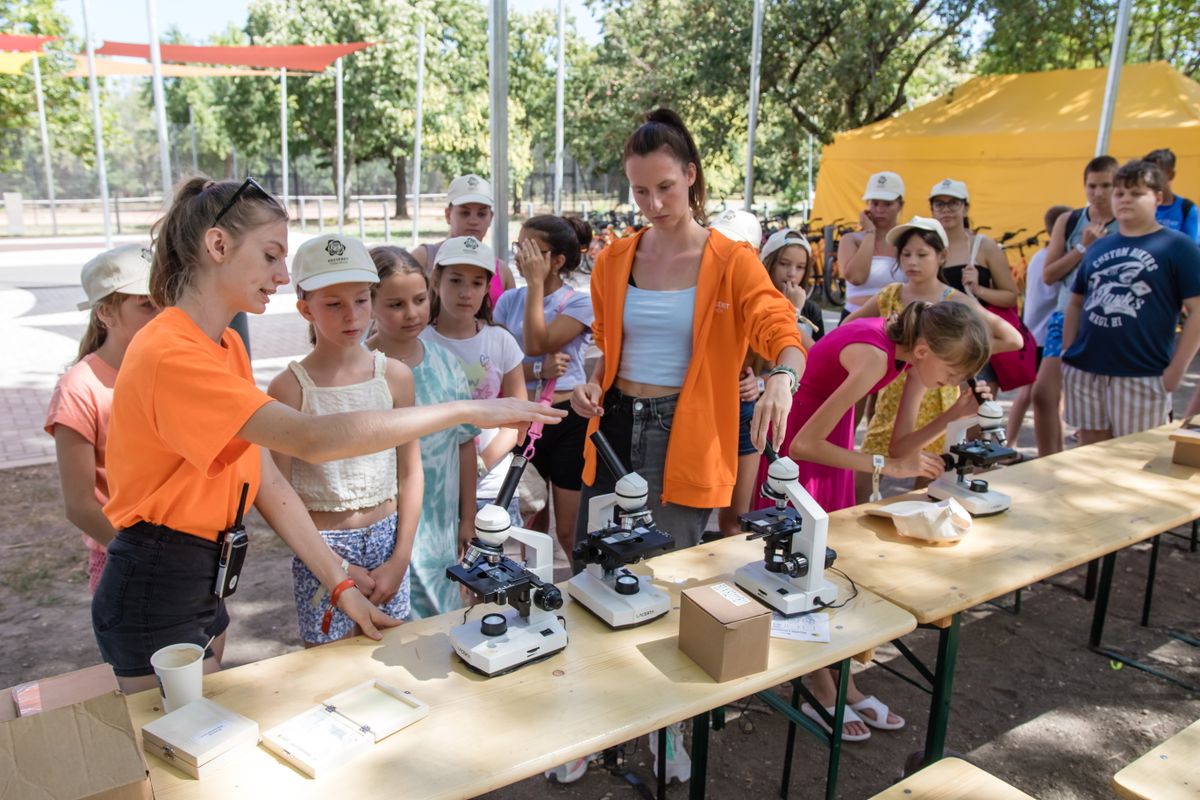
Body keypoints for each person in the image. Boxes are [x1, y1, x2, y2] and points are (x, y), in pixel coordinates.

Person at [95, 177, 563, 692]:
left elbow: (266, 480)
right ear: (218, 245)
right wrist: (464, 410)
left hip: (202, 576)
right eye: (271, 255)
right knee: (178, 751)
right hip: (159, 578)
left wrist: (340, 583)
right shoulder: (172, 352)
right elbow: (311, 439)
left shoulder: (222, 344)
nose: (279, 276)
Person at [569, 108, 805, 783]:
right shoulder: (615, 257)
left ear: (692, 176)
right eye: (640, 190)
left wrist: (784, 371)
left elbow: (774, 322)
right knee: (596, 575)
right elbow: (606, 350)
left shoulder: (730, 260)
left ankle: (664, 726)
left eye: (665, 187)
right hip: (612, 430)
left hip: (687, 434)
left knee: (665, 581)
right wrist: (590, 381)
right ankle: (589, 720)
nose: (653, 204)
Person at [786, 301, 993, 741]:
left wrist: (952, 415)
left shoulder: (908, 357)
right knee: (807, 571)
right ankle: (821, 685)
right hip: (802, 454)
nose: (954, 383)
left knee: (831, 570)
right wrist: (883, 466)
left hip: (834, 450)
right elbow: (803, 444)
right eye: (952, 372)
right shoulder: (875, 355)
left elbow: (900, 450)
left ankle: (842, 681)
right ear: (923, 350)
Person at [266, 235, 420, 645]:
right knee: (329, 663)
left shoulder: (395, 376)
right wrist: (339, 568)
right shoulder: (288, 389)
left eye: (362, 299)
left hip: (390, 541)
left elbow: (410, 471)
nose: (351, 315)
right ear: (305, 308)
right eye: (333, 304)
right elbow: (276, 491)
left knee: (393, 654)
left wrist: (401, 556)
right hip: (323, 550)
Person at [848, 217, 1021, 497]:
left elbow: (1013, 339)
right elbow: (848, 330)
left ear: (942, 256)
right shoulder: (889, 295)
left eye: (922, 254)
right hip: (890, 397)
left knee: (930, 479)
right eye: (906, 254)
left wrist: (956, 354)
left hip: (939, 400)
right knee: (871, 466)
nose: (912, 261)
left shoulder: (954, 300)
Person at [366, 246, 479, 619]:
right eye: (396, 304)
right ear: (370, 304)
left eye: (418, 299)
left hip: (437, 523)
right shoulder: (361, 372)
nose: (412, 313)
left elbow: (464, 444)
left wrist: (467, 517)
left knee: (438, 620)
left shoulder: (446, 365)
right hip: (378, 529)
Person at [46, 245, 159, 593]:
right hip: (125, 561)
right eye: (147, 305)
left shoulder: (169, 374)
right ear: (105, 313)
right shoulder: (79, 388)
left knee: (210, 650)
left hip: (188, 556)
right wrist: (142, 559)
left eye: (166, 301)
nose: (163, 315)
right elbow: (80, 505)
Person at [1062, 160, 1200, 443]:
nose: (1125, 199)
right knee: (1090, 455)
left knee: (1137, 459)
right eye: (1119, 193)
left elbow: (1198, 309)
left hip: (1142, 372)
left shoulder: (1178, 246)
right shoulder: (1099, 245)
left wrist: (1175, 371)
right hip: (1086, 369)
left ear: (1158, 198)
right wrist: (1068, 351)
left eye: (1136, 193)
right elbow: (1076, 301)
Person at [495, 215, 595, 559]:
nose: (521, 257)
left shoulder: (579, 303)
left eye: (531, 249)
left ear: (557, 261)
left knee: (569, 532)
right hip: (522, 417)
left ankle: (584, 592)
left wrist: (536, 286)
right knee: (530, 525)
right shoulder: (508, 301)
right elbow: (498, 367)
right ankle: (535, 600)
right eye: (518, 247)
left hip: (567, 419)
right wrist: (537, 369)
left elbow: (536, 341)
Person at [421, 236, 527, 525]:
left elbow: (518, 418)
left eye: (476, 283)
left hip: (493, 488)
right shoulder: (417, 342)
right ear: (435, 281)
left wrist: (479, 466)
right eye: (455, 281)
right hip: (432, 487)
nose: (466, 292)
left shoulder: (500, 340)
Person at [1032, 155, 1119, 456]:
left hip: (1108, 319)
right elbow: (1049, 274)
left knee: (1099, 404)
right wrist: (1082, 247)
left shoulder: (1127, 224)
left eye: (1106, 185)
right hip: (1065, 313)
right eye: (1092, 186)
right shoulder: (1069, 221)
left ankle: (1092, 463)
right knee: (1043, 393)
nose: (1098, 193)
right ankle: (1048, 463)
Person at [744, 228, 825, 519]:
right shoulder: (751, 300)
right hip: (750, 402)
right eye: (784, 263)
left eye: (801, 267)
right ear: (769, 262)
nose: (792, 273)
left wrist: (795, 312)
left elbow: (815, 357)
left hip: (788, 402)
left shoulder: (810, 310)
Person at [1006, 205, 1072, 445]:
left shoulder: (1038, 257)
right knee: (1044, 393)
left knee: (1031, 393)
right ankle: (1047, 438)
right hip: (1046, 334)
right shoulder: (1057, 261)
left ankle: (1011, 441)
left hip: (1032, 331)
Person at [412, 174, 516, 303]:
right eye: (465, 213)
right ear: (448, 215)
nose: (473, 221)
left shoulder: (502, 272)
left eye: (481, 214)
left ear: (491, 218)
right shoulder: (423, 259)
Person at [928, 178, 1019, 309]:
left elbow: (1011, 296)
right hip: (935, 326)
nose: (946, 210)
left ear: (966, 209)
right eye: (940, 204)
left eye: (954, 203)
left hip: (977, 327)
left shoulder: (984, 245)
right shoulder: (924, 247)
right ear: (932, 210)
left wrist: (978, 290)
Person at [839, 171, 905, 318]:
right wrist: (870, 232)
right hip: (855, 317)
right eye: (874, 203)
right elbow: (856, 277)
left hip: (897, 322)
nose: (880, 210)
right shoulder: (850, 240)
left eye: (887, 204)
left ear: (900, 205)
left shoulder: (908, 240)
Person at [1143, 148, 1199, 244]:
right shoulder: (1142, 205)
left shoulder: (1186, 208)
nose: (1151, 179)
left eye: (1157, 174)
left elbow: (1191, 247)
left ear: (1171, 175)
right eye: (1148, 174)